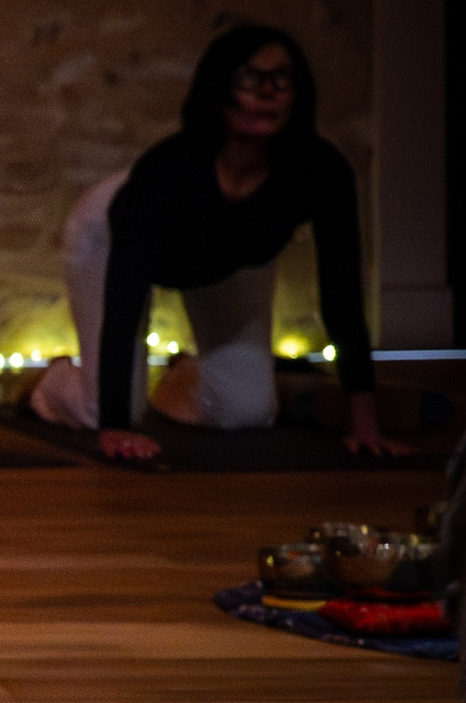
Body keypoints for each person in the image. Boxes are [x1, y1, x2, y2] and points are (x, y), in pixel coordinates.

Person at [28, 23, 400, 463]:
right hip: (112, 236)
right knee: (107, 409)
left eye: (281, 79)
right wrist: (114, 426)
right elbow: (126, 297)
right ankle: (55, 384)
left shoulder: (320, 171)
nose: (267, 93)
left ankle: (178, 377)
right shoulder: (165, 173)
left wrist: (364, 422)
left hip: (233, 257)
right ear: (219, 89)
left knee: (246, 411)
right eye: (250, 78)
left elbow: (342, 294)